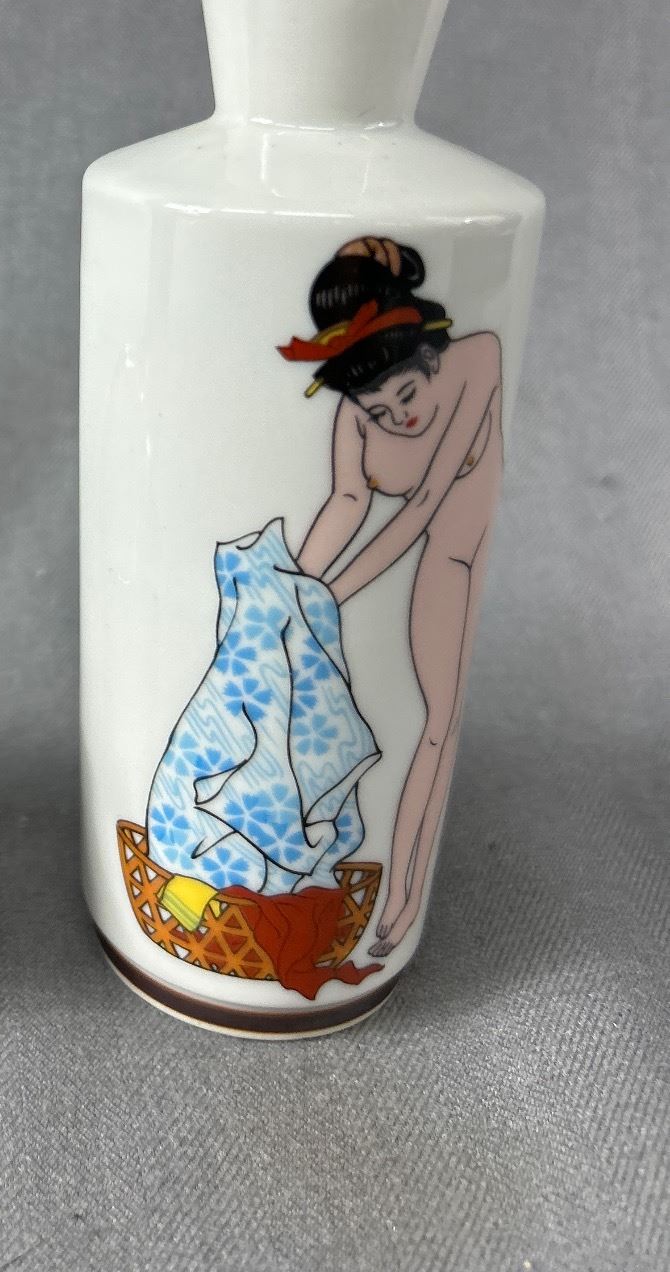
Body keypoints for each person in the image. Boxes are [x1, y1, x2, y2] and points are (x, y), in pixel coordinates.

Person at [278, 236, 503, 956]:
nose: (397, 416)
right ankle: (369, 890)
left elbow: (424, 505)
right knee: (415, 723)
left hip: (455, 548)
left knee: (437, 722)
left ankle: (403, 903)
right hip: (435, 552)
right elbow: (347, 502)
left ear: (428, 358)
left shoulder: (476, 358)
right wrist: (290, 586)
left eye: (406, 394)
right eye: (378, 410)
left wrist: (328, 598)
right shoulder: (354, 414)